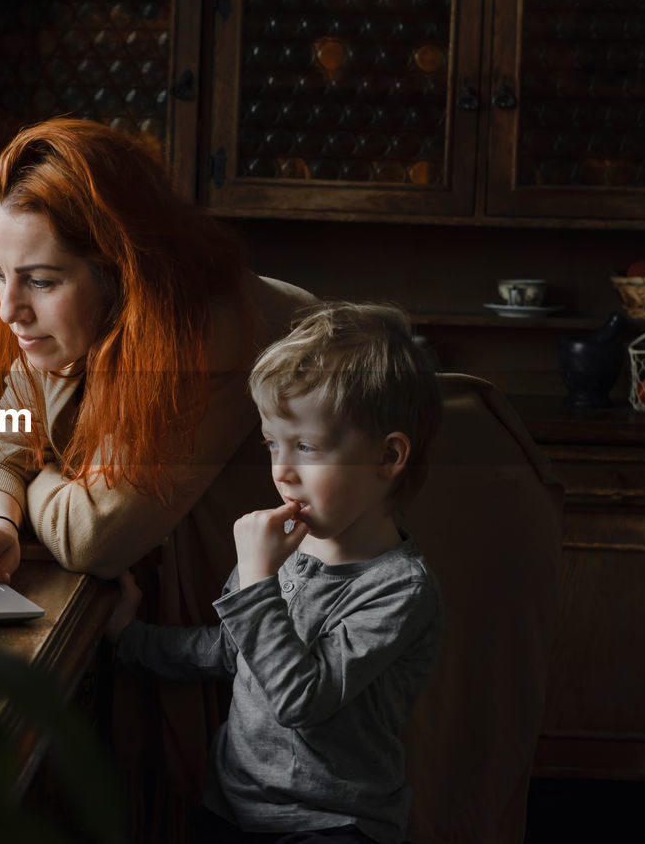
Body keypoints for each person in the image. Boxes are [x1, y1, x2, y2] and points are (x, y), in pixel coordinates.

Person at [0, 118, 313, 835]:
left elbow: (98, 534)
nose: (8, 308)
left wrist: (33, 466)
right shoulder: (66, 325)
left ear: (122, 268)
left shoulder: (210, 334)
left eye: (40, 279)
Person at [105, 302, 444, 844]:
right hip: (232, 801)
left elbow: (301, 703)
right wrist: (130, 641)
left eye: (306, 447)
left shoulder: (399, 589)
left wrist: (260, 582)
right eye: (272, 444)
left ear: (388, 457)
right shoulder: (286, 550)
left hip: (333, 822)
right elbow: (228, 651)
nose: (281, 470)